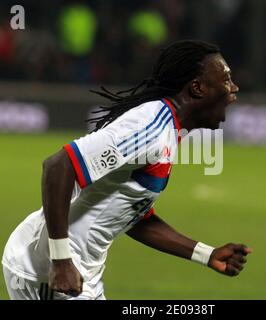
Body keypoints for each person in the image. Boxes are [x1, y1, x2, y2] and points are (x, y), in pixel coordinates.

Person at [2, 40, 250, 300]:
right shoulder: (150, 128)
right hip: (48, 270)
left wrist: (206, 254)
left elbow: (132, 215)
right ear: (198, 89)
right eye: (226, 79)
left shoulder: (167, 131)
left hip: (81, 273)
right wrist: (61, 260)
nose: (234, 88)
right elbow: (58, 165)